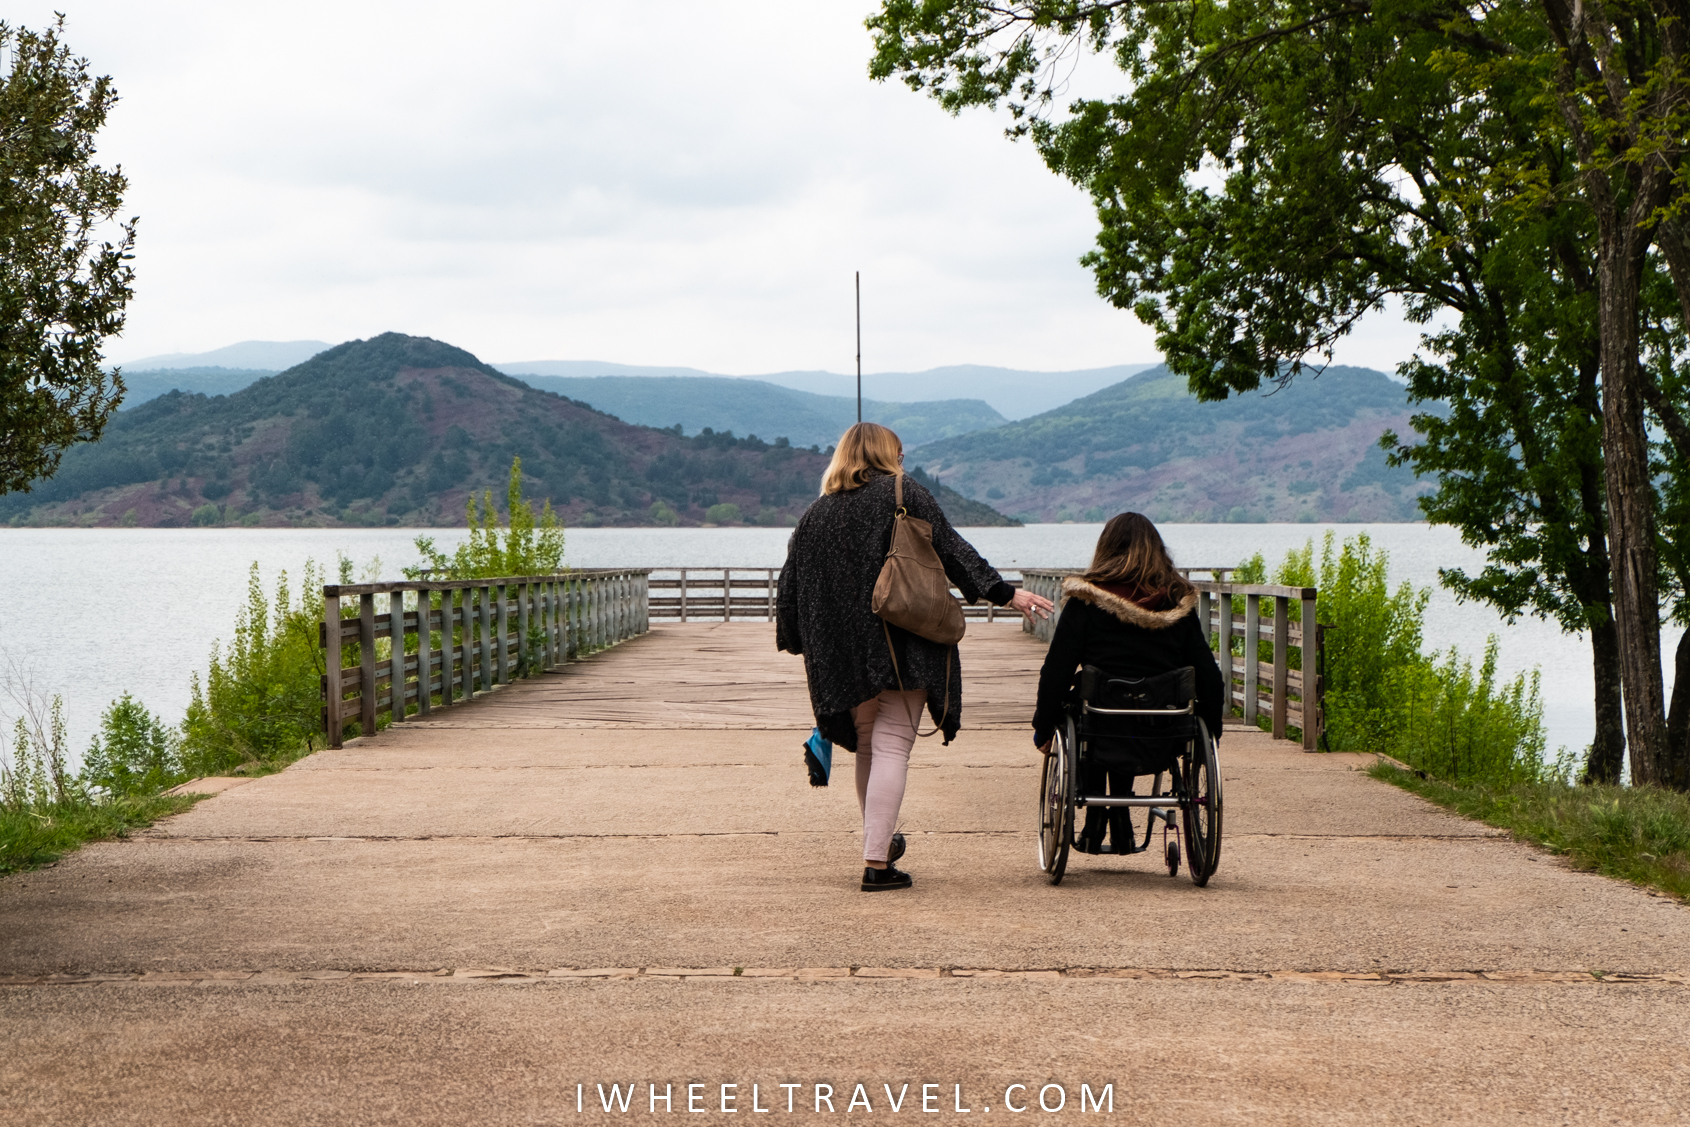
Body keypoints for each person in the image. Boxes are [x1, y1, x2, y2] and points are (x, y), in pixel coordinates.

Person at [776, 422, 1053, 891]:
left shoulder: (815, 514)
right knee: (891, 746)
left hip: (841, 651)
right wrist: (1006, 594)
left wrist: (801, 642)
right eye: (899, 453)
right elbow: (952, 549)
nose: (902, 461)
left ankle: (880, 849)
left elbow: (789, 586)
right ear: (886, 454)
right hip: (901, 637)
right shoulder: (903, 492)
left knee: (869, 745)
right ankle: (876, 861)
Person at [1031, 512, 1224, 854]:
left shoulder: (1085, 603)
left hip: (1097, 727)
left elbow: (1056, 671)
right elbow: (1209, 676)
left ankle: (1097, 818)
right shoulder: (1177, 605)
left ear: (1105, 549)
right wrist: (1211, 729)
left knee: (1085, 704)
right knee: (1133, 712)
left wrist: (1043, 727)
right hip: (1162, 732)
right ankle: (1120, 818)